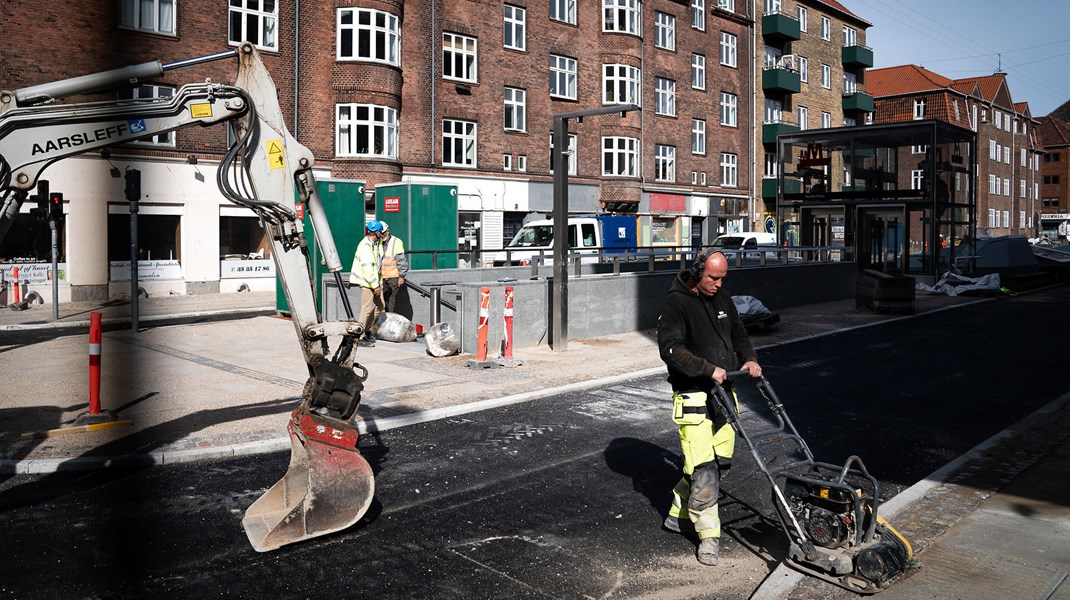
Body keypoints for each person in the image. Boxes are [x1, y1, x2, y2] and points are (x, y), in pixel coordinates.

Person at [657, 248, 762, 566]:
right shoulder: (676, 304)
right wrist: (706, 369)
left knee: (720, 462)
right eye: (713, 278)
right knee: (703, 469)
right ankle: (708, 537)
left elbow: (739, 333)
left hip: (723, 394)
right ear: (697, 272)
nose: (718, 283)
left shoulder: (723, 298)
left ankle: (677, 511)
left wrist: (750, 358)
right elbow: (671, 349)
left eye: (722, 278)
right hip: (693, 397)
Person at [349, 220, 384, 347]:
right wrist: (375, 285)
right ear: (376, 232)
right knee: (366, 309)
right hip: (367, 282)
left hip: (374, 282)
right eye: (381, 232)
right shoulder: (365, 246)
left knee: (380, 306)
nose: (383, 234)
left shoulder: (374, 244)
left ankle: (367, 330)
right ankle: (359, 337)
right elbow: (368, 267)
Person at [378, 221, 409, 314]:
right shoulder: (378, 241)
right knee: (382, 300)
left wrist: (401, 276)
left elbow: (401, 260)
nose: (382, 235)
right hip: (381, 276)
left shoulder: (396, 241)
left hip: (393, 276)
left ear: (387, 231)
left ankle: (389, 318)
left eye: (383, 233)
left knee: (391, 300)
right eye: (380, 233)